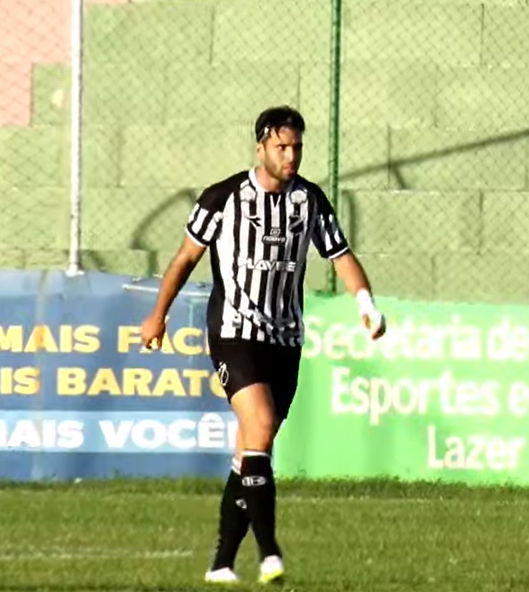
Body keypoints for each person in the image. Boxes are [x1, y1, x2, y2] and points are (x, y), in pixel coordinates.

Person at [139, 106, 386, 584]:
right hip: (234, 332)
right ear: (261, 147)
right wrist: (157, 314)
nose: (291, 155)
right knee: (261, 424)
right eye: (282, 147)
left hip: (285, 337)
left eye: (297, 147)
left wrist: (366, 304)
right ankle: (270, 552)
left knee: (253, 447)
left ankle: (221, 564)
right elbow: (185, 257)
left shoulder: (309, 200)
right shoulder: (222, 197)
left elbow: (340, 255)